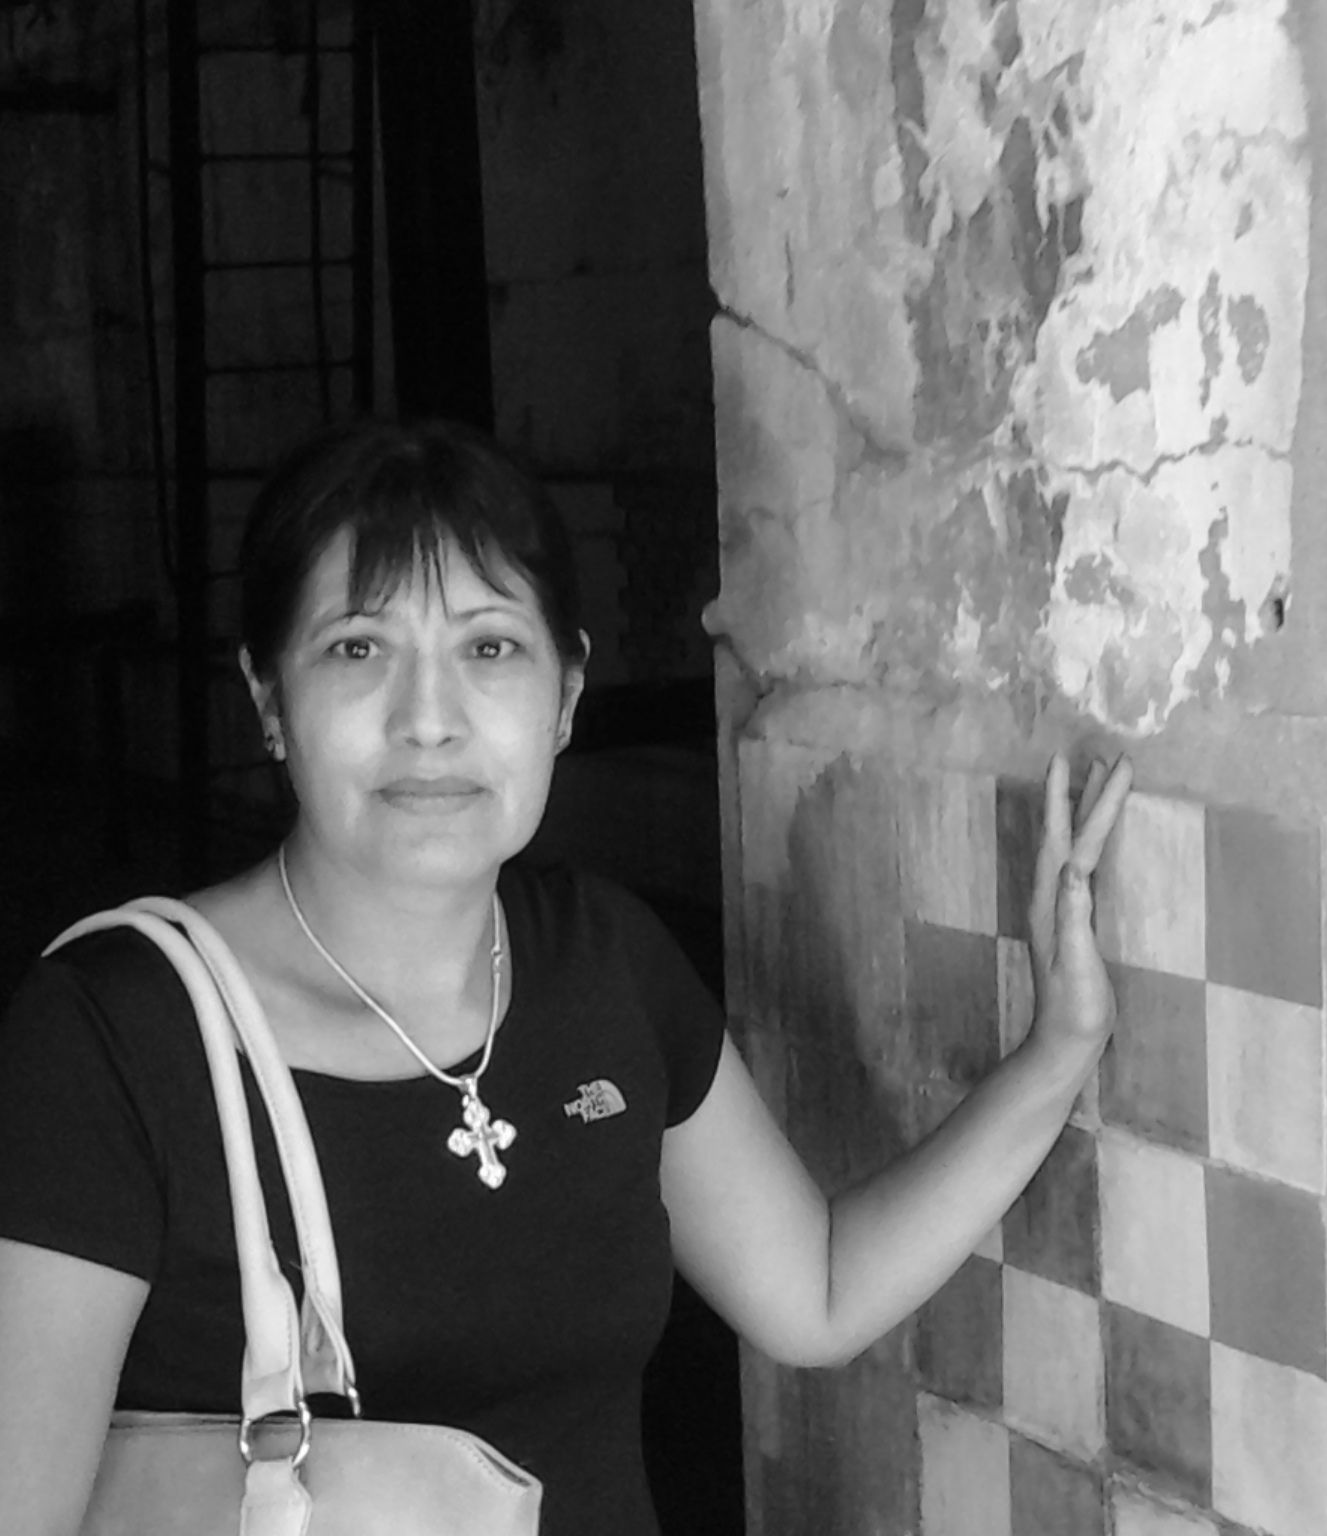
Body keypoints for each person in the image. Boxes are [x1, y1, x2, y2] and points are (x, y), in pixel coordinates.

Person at [0, 418, 1132, 1536]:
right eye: (358, 649)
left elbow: (817, 1293)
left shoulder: (602, 963)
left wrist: (1059, 1048)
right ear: (267, 702)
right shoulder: (111, 1040)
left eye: (489, 648)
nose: (429, 721)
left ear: (567, 697)